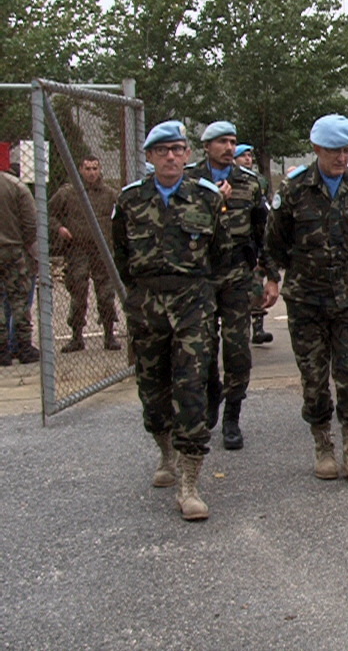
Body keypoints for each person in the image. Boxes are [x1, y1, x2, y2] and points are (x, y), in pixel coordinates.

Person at [112, 121, 227, 520]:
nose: (172, 157)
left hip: (193, 304)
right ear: (149, 156)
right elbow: (122, 256)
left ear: (187, 154)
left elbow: (220, 255)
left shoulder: (206, 199)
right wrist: (142, 294)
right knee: (153, 388)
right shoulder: (129, 201)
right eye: (164, 151)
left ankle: (190, 482)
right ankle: (165, 454)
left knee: (192, 386)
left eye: (179, 149)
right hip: (147, 307)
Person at [265, 114, 348, 487]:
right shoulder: (295, 189)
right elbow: (275, 243)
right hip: (306, 301)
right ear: (317, 149)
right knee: (314, 380)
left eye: (347, 149)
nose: (341, 156)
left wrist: (345, 276)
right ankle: (323, 445)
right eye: (334, 150)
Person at [186, 122, 279, 450]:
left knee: (238, 349)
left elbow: (261, 233)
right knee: (204, 347)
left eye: (233, 142)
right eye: (222, 142)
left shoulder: (250, 184)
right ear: (206, 146)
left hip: (237, 277)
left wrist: (271, 276)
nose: (229, 147)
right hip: (200, 279)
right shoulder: (189, 181)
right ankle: (213, 396)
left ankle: (232, 417)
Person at [48, 156, 121, 353]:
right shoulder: (68, 193)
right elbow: (49, 213)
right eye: (87, 168)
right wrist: (60, 228)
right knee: (78, 293)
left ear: (100, 170)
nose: (91, 173)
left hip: (102, 251)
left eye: (95, 168)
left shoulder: (109, 194)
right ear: (80, 169)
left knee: (106, 294)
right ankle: (76, 336)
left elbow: (121, 218)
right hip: (77, 249)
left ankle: (109, 334)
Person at [234, 143, 275, 346]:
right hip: (235, 249)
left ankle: (258, 328)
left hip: (252, 247)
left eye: (250, 155)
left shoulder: (258, 181)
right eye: (243, 156)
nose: (248, 159)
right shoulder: (228, 181)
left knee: (257, 288)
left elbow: (262, 213)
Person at [0, 169, 39, 366]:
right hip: (13, 250)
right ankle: (23, 346)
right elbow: (31, 222)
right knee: (20, 300)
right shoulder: (16, 186)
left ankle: (1, 349)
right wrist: (24, 242)